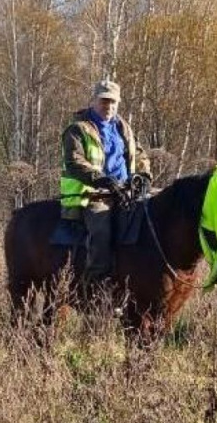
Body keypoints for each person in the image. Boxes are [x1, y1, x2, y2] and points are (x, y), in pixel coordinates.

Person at [60, 80, 151, 282]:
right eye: (104, 101)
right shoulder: (78, 129)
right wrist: (104, 181)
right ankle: (94, 285)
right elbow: (75, 162)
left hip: (127, 190)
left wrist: (144, 175)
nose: (108, 106)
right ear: (94, 100)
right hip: (93, 194)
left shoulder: (123, 127)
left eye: (113, 102)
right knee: (101, 232)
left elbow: (139, 154)